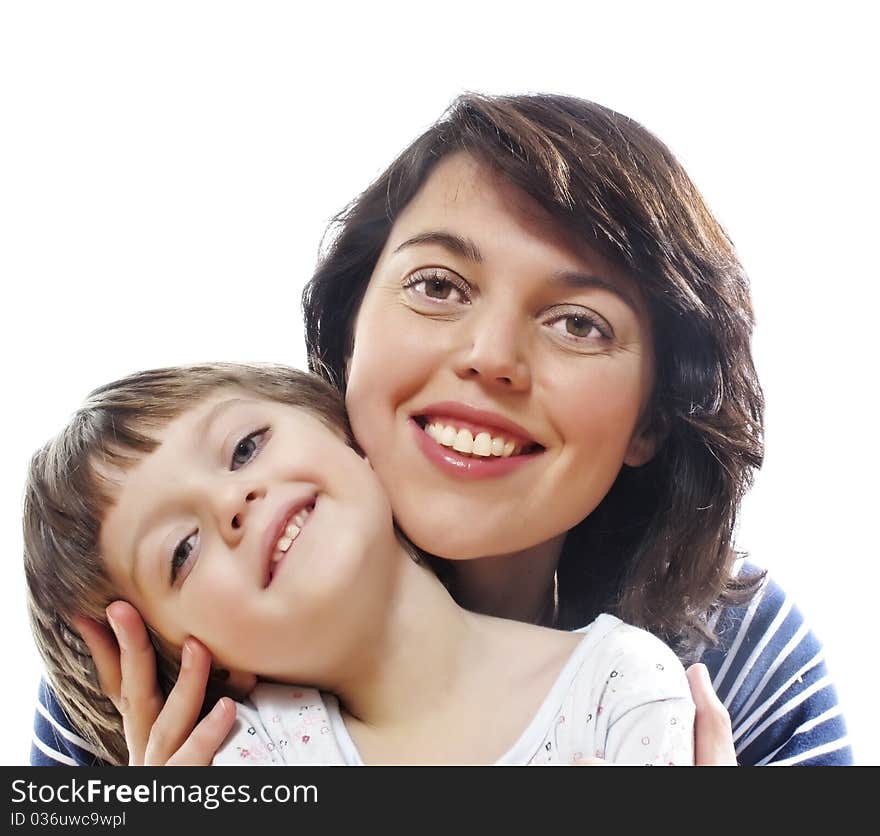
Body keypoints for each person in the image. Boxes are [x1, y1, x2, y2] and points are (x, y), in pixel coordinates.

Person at [30, 92, 851, 767]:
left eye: (578, 324)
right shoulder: (152, 674)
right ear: (348, 336)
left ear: (653, 419)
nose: (492, 357)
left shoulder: (735, 655)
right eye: (438, 284)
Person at [24, 362, 695, 766]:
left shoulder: (622, 681)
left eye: (246, 447)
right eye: (182, 551)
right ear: (189, 665)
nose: (234, 500)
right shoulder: (251, 764)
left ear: (347, 435)